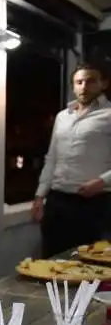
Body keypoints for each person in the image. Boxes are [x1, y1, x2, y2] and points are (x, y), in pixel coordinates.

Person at [31, 62, 111, 257]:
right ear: (73, 86)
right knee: (52, 261)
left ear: (103, 84)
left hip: (95, 204)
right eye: (79, 82)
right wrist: (40, 196)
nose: (84, 86)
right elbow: (52, 158)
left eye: (90, 81)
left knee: (91, 268)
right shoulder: (62, 117)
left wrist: (103, 182)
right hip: (58, 202)